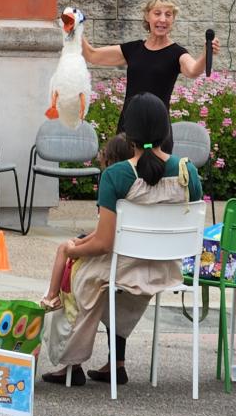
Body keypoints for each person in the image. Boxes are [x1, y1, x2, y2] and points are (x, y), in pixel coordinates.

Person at [41, 93, 202, 386]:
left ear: (130, 135)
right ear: (166, 130)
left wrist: (72, 249)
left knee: (77, 275)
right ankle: (117, 362)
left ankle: (70, 364)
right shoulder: (186, 171)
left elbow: (103, 244)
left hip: (124, 268)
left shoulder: (117, 175)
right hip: (166, 268)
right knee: (113, 290)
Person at [82, 0, 220, 131]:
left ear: (173, 19)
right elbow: (92, 55)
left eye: (168, 14)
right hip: (128, 128)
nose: (162, 19)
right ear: (147, 16)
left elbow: (193, 71)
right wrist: (74, 28)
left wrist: (206, 53)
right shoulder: (133, 49)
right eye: (157, 13)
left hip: (157, 132)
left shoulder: (177, 53)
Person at [39, 133, 135, 310]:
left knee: (64, 249)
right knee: (74, 243)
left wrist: (77, 246)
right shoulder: (136, 185)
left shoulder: (112, 182)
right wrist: (82, 240)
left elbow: (103, 236)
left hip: (110, 251)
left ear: (110, 160)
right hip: (129, 251)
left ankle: (51, 298)